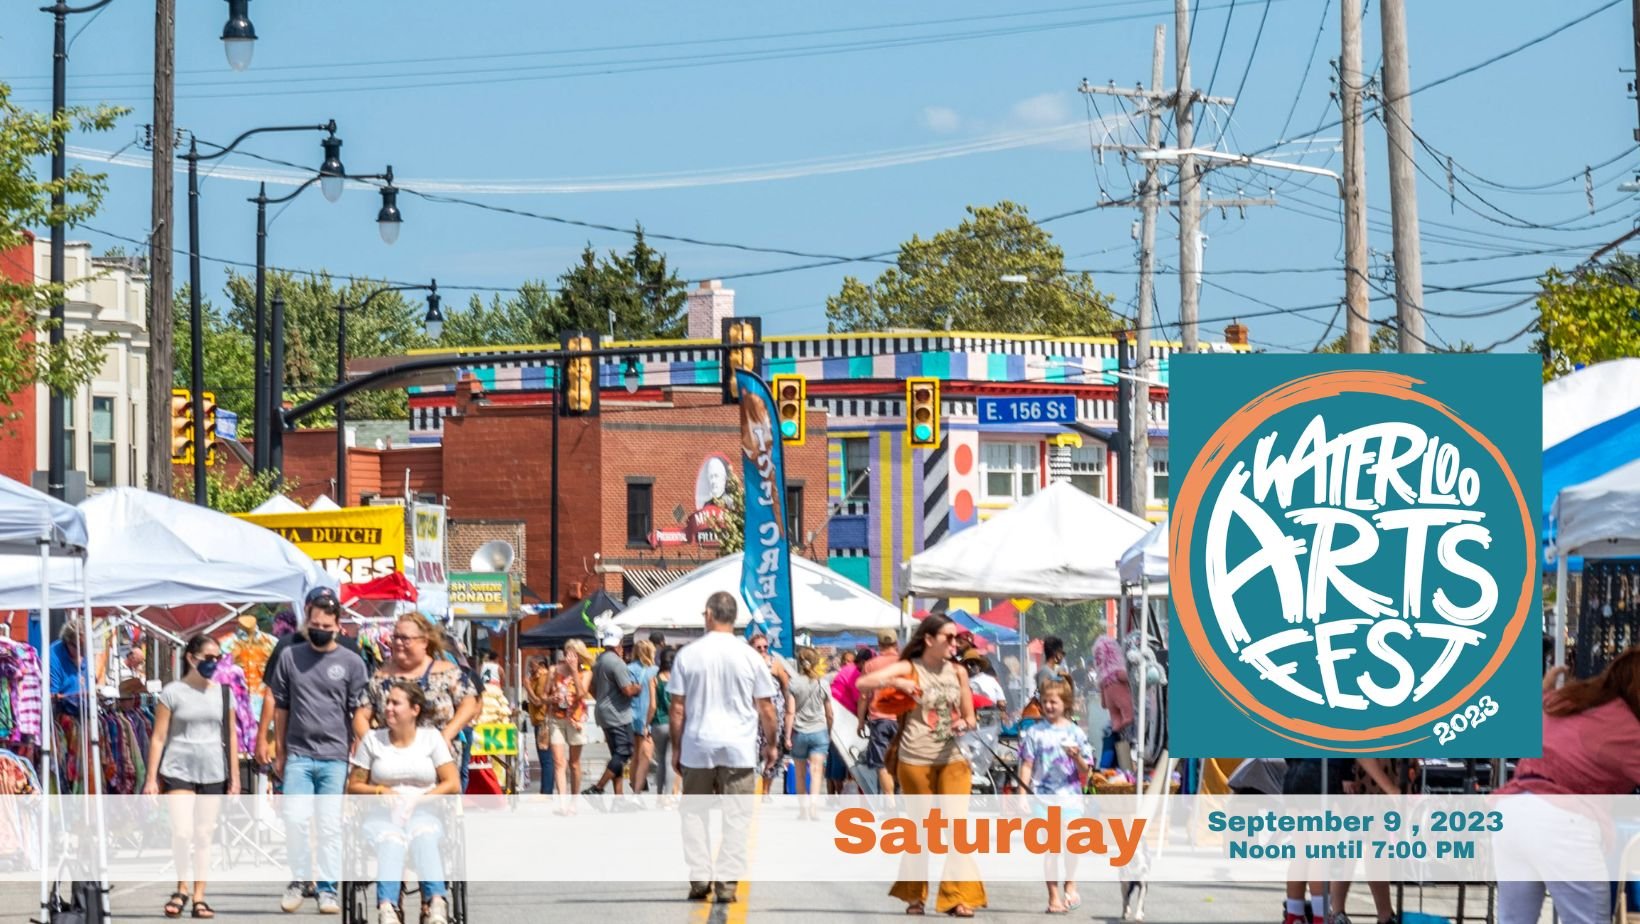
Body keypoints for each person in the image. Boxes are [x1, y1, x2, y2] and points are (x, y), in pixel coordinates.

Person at [1495, 652, 1640, 924]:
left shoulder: (1570, 701)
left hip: (1512, 810)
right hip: (1561, 821)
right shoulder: (1627, 728)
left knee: (1513, 920)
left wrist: (1545, 687)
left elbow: (1531, 707)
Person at [858, 613, 985, 917]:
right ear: (929, 640)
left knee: (957, 829)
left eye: (957, 637)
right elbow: (864, 682)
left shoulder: (958, 673)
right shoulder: (910, 668)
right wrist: (896, 680)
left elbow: (970, 716)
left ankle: (957, 896)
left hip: (952, 758)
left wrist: (964, 724)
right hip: (915, 759)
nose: (955, 643)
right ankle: (915, 896)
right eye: (949, 637)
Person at [671, 591, 779, 903]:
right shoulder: (751, 657)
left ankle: (700, 876)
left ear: (708, 614)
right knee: (737, 817)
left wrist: (677, 749)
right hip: (739, 748)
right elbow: (767, 708)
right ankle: (727, 884)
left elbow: (677, 708)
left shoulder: (688, 655)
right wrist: (771, 744)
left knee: (693, 813)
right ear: (734, 619)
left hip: (697, 745)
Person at [269, 586, 371, 915]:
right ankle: (300, 880)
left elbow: (359, 710)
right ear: (306, 622)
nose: (321, 630)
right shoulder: (289, 656)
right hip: (298, 752)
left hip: (335, 756)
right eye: (315, 624)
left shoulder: (352, 662)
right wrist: (279, 748)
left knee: (329, 825)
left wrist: (363, 752)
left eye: (327, 627)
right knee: (295, 819)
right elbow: (281, 706)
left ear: (338, 626)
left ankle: (328, 888)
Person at [346, 680, 460, 924]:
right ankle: (387, 908)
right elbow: (353, 785)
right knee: (392, 840)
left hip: (424, 811)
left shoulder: (431, 739)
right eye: (387, 702)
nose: (388, 708)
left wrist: (419, 800)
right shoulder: (373, 741)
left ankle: (436, 902)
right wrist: (380, 791)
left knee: (424, 834)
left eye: (395, 703)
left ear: (414, 710)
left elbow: (451, 783)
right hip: (381, 815)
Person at [143, 635, 240, 920]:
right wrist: (151, 778)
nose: (213, 663)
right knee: (183, 832)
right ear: (191, 658)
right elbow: (159, 737)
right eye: (207, 657)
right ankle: (181, 887)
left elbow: (231, 737)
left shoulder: (224, 693)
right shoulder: (172, 693)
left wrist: (234, 778)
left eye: (217, 658)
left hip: (212, 770)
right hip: (178, 768)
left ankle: (199, 895)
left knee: (204, 834)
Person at [361, 614, 480, 767]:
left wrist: (447, 734)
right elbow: (362, 715)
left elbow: (469, 704)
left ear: (424, 642)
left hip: (437, 761)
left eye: (405, 638)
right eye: (395, 637)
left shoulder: (448, 673)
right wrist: (372, 745)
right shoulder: (381, 677)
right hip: (392, 760)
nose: (398, 642)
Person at [1016, 680, 1091, 914]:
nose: (1048, 706)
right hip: (1042, 798)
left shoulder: (1075, 733)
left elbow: (1086, 770)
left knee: (1072, 845)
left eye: (1053, 702)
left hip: (1070, 798)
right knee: (1051, 849)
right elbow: (1026, 765)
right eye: (1045, 701)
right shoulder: (1033, 732)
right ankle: (1053, 896)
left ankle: (1070, 881)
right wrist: (1022, 795)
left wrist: (1077, 757)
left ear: (1065, 704)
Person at [584, 626, 640, 801]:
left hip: (603, 712)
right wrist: (639, 687)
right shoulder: (617, 663)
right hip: (618, 714)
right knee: (625, 751)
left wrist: (603, 698)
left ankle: (619, 798)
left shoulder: (599, 661)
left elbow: (592, 688)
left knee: (616, 755)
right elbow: (627, 690)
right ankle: (598, 787)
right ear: (619, 644)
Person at [785, 647, 833, 820]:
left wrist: (787, 736)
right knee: (816, 770)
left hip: (799, 731)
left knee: (799, 772)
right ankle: (814, 807)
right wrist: (830, 730)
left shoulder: (794, 683)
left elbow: (790, 712)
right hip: (819, 731)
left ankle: (803, 809)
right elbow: (829, 712)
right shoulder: (823, 683)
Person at [547, 641, 593, 812]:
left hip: (576, 718)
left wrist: (574, 671)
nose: (569, 658)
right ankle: (562, 803)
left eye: (573, 654)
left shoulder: (585, 673)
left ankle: (574, 801)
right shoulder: (554, 671)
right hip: (556, 717)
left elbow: (582, 694)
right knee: (559, 761)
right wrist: (552, 698)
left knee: (574, 763)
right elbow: (547, 694)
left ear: (580, 656)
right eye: (567, 653)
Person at [856, 631, 901, 795]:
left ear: (879, 644)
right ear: (896, 644)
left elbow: (863, 696)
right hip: (903, 720)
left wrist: (861, 721)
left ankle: (890, 803)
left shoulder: (870, 666)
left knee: (881, 764)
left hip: (879, 720)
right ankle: (899, 796)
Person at [748, 632, 792, 795]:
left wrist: (789, 711)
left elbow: (786, 688)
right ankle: (753, 788)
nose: (763, 650)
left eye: (765, 646)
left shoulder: (775, 664)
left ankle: (766, 789)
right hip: (753, 713)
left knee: (774, 752)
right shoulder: (748, 664)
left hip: (774, 713)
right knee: (753, 752)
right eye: (758, 647)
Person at [627, 639, 660, 795]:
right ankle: (637, 790)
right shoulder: (655, 671)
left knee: (635, 756)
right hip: (648, 717)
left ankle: (635, 788)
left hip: (632, 715)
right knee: (645, 756)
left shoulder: (629, 669)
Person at [651, 647, 678, 806]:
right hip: (674, 723)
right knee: (669, 761)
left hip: (658, 723)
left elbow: (653, 705)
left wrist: (647, 723)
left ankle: (659, 796)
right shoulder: (678, 679)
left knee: (660, 761)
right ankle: (668, 797)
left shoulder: (654, 679)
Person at [524, 657, 554, 795]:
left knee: (546, 758)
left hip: (544, 722)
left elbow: (538, 701)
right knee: (545, 758)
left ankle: (547, 791)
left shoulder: (543, 678)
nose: (530, 669)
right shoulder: (536, 678)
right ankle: (545, 790)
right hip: (538, 721)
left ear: (541, 665)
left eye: (532, 665)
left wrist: (527, 687)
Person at [962, 651, 1008, 719]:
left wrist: (1000, 714)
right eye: (967, 664)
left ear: (979, 665)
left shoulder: (990, 680)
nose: (969, 667)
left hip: (986, 713)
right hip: (972, 714)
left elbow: (1001, 702)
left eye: (972, 664)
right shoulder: (964, 681)